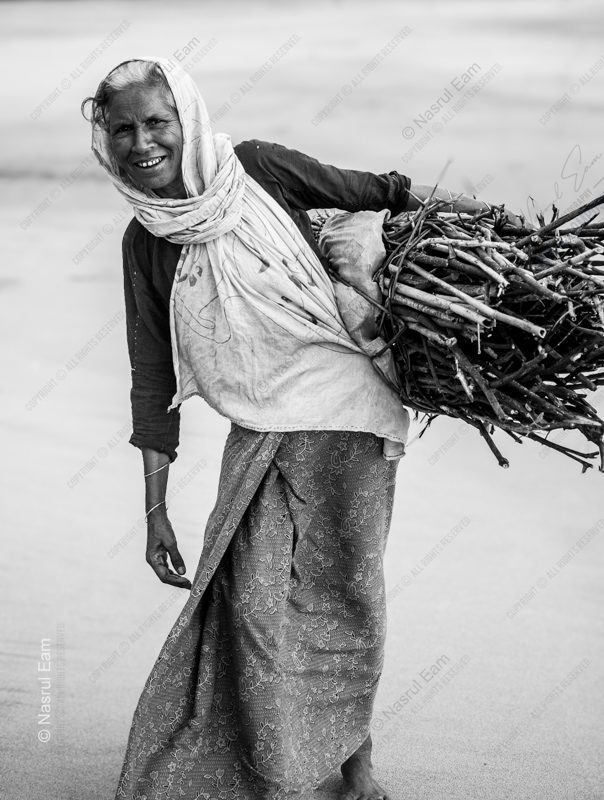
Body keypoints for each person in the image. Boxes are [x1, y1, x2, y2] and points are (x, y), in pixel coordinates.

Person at [83, 57, 521, 800]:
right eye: (122, 129)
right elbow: (152, 381)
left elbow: (383, 193)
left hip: (350, 417)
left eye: (156, 122)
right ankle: (280, 762)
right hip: (262, 428)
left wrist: (498, 230)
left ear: (186, 118)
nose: (141, 143)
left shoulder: (258, 169)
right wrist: (154, 513)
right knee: (249, 607)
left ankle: (356, 769)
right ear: (106, 142)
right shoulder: (145, 242)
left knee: (345, 596)